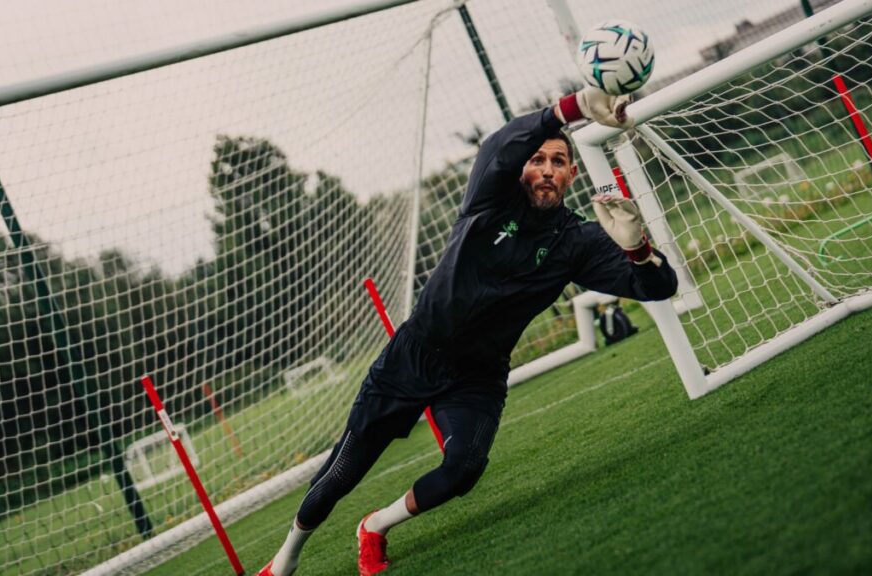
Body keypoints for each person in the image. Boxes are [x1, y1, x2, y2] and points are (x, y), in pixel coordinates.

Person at [258, 87, 678, 576]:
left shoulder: (576, 241)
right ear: (522, 169)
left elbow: (657, 286)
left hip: (478, 373)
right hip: (413, 356)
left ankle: (375, 526)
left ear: (571, 173)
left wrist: (638, 249)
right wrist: (571, 107)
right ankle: (284, 560)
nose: (546, 169)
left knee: (464, 469)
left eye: (558, 162)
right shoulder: (490, 198)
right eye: (538, 159)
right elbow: (497, 146)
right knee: (342, 474)